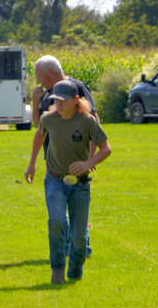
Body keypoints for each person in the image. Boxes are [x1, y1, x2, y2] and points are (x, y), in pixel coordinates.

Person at [24, 80, 111, 284]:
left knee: (79, 238)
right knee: (57, 222)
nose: (59, 105)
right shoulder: (49, 119)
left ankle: (75, 273)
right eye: (56, 101)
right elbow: (39, 135)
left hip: (80, 185)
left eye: (63, 101)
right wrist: (32, 164)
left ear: (76, 100)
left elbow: (106, 148)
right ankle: (57, 270)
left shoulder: (87, 121)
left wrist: (88, 163)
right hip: (54, 181)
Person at [31, 55, 97, 257]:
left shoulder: (75, 87)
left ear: (51, 73)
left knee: (76, 206)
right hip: (54, 160)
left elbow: (94, 119)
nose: (39, 80)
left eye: (40, 76)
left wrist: (90, 159)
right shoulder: (48, 95)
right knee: (59, 208)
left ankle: (80, 248)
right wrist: (35, 102)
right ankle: (72, 248)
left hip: (77, 159)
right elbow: (38, 126)